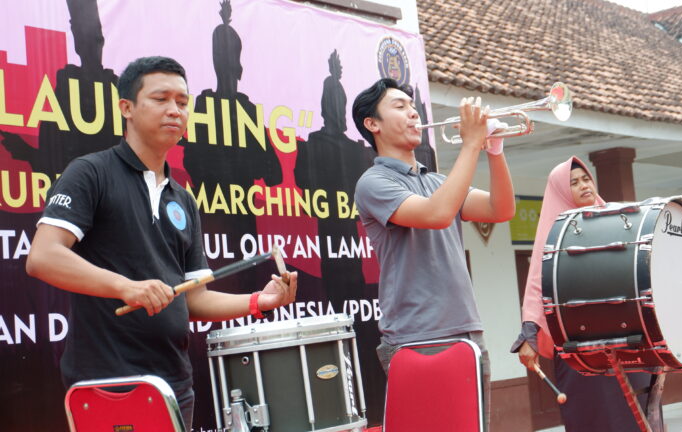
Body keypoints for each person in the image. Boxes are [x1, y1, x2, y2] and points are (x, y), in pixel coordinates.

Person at [25, 56, 298, 431]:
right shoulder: (90, 173)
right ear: (127, 108)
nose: (175, 110)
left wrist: (258, 302)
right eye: (161, 99)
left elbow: (194, 299)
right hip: (109, 384)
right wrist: (126, 287)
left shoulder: (182, 198)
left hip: (174, 385)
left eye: (183, 103)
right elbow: (43, 256)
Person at [352, 78, 516, 430]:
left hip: (466, 331)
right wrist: (471, 144)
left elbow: (500, 209)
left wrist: (495, 151)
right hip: (417, 338)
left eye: (412, 107)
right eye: (399, 106)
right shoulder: (373, 183)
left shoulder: (438, 180)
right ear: (373, 124)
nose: (412, 113)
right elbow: (436, 214)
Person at [511, 156, 653, 431]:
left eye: (586, 179)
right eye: (573, 183)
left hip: (627, 341)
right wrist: (529, 334)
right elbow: (538, 286)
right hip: (579, 350)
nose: (584, 185)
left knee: (637, 418)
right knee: (594, 419)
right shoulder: (554, 236)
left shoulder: (619, 221)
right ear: (562, 191)